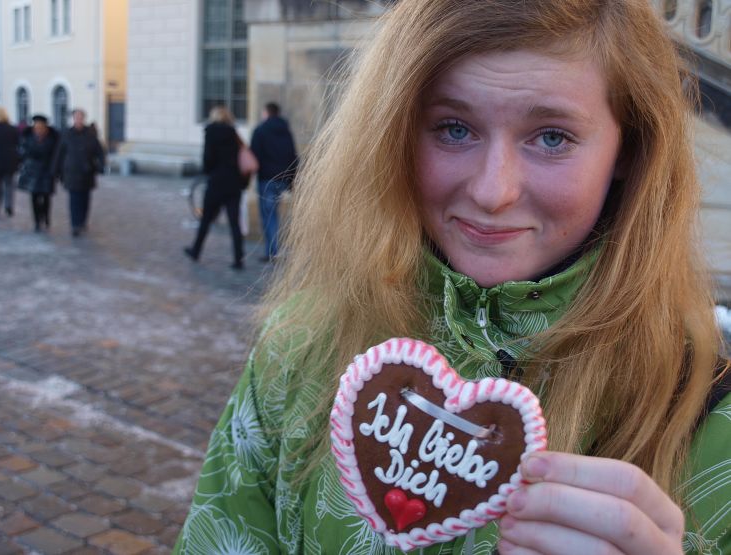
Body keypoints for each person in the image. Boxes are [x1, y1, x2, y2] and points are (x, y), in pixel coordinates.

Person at [174, 1, 730, 554]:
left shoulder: (709, 420)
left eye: (552, 137)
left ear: (628, 149)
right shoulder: (300, 348)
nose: (493, 191)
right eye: (454, 129)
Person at [184, 106, 257, 270]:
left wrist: (208, 172)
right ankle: (238, 259)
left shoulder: (210, 133)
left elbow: (207, 160)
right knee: (234, 223)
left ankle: (196, 251)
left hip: (216, 183)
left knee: (206, 220)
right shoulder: (233, 134)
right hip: (233, 184)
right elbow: (241, 160)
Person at [250, 101, 298, 262]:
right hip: (283, 179)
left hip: (267, 179)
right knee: (273, 215)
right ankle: (274, 249)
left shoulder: (260, 131)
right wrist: (291, 180)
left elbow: (254, 157)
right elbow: (292, 156)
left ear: (266, 113)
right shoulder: (286, 131)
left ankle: (272, 251)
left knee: (269, 216)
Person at [53, 109, 105, 236]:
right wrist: (55, 170)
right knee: (74, 198)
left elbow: (99, 151)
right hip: (71, 172)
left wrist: (100, 165)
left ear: (84, 119)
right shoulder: (66, 134)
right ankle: (75, 224)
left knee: (85, 199)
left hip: (87, 172)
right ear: (73, 119)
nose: (79, 120)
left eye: (81, 117)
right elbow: (59, 153)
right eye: (76, 117)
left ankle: (82, 221)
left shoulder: (90, 134)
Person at [17, 115, 60, 231]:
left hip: (47, 170)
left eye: (41, 126)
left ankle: (46, 217)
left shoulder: (52, 138)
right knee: (34, 197)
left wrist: (55, 169)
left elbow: (55, 155)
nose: (38, 129)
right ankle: (37, 220)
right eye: (36, 126)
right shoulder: (28, 137)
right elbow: (23, 152)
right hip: (33, 171)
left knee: (46, 197)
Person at [0, 106, 20, 216]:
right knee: (9, 184)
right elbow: (17, 143)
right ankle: (8, 205)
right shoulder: (12, 129)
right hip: (9, 160)